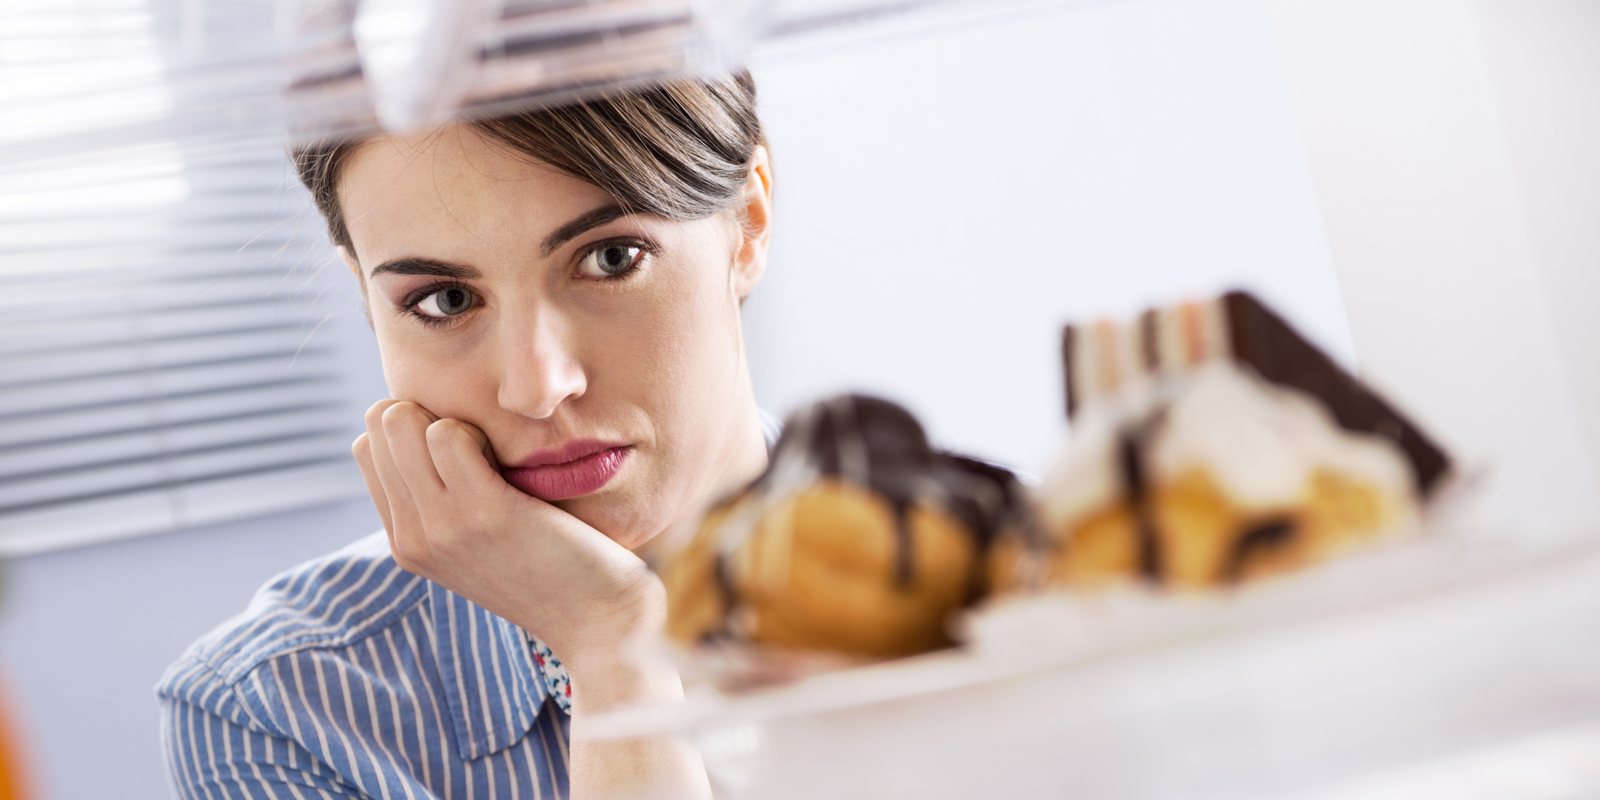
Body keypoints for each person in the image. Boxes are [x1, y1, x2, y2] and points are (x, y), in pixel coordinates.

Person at [157, 71, 776, 800]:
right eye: (444, 301)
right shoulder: (276, 712)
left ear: (748, 223)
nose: (538, 386)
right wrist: (612, 649)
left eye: (611, 258)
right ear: (365, 296)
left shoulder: (944, 594)